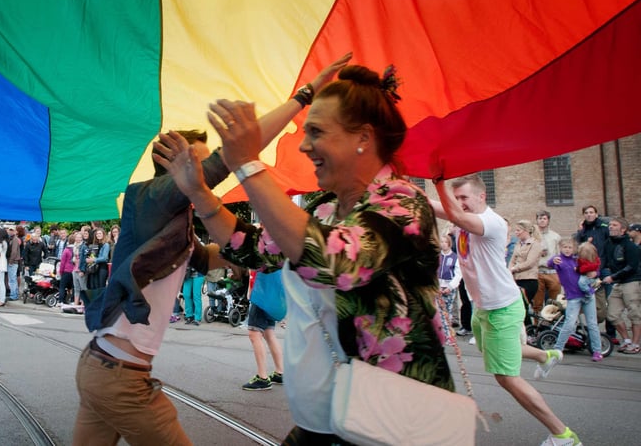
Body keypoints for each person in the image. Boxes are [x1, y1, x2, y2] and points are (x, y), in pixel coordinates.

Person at [159, 61, 453, 444]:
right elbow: (251, 248)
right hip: (327, 416)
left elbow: (333, 262)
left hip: (392, 421)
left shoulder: (402, 204)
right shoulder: (323, 209)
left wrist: (248, 164)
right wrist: (199, 193)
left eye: (316, 132)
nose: (303, 144)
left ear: (362, 137)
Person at [74, 54, 351, 444]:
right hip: (120, 378)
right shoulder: (147, 200)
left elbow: (211, 257)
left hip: (102, 368)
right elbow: (235, 154)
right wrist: (304, 96)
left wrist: (277, 244)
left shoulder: (178, 224)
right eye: (199, 165)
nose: (208, 178)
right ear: (170, 164)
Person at [432, 174, 581, 446]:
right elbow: (439, 207)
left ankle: (563, 435)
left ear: (481, 196)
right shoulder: (464, 217)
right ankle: (545, 355)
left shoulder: (492, 222)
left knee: (506, 378)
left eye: (464, 197)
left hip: (501, 308)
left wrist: (439, 182)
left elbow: (457, 216)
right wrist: (400, 190)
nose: (460, 203)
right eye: (458, 199)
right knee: (491, 350)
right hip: (484, 307)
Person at [549, 241, 603, 361]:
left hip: (588, 295)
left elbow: (593, 267)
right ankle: (558, 349)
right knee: (569, 323)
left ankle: (597, 351)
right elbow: (550, 263)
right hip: (573, 297)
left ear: (575, 249)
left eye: (570, 247)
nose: (567, 250)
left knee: (592, 324)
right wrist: (553, 259)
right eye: (565, 247)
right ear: (560, 248)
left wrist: (595, 273)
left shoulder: (577, 259)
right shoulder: (560, 260)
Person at [600, 217, 641, 354]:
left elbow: (632, 266)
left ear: (623, 229)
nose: (610, 227)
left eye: (614, 225)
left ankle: (635, 344)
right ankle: (626, 340)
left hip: (631, 282)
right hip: (617, 283)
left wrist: (612, 277)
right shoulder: (608, 243)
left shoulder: (630, 246)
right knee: (612, 314)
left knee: (634, 314)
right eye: (610, 225)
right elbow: (603, 260)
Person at [510, 220, 543, 325]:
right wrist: (509, 269)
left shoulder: (535, 244)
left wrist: (515, 268)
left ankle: (529, 330)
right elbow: (512, 259)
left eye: (519, 230)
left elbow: (529, 262)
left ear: (526, 231)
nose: (516, 233)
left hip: (529, 280)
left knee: (522, 305)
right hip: (517, 279)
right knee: (518, 306)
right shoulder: (518, 244)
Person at [535, 211, 563, 312]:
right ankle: (538, 325)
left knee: (554, 302)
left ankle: (551, 323)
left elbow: (559, 255)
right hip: (537, 271)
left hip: (552, 272)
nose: (542, 221)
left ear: (548, 221)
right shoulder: (532, 236)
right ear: (536, 220)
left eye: (544, 219)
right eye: (540, 218)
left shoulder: (555, 236)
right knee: (537, 303)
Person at [437, 233, 462, 339]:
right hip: (439, 286)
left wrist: (450, 287)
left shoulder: (454, 257)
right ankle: (440, 333)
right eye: (441, 242)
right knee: (439, 311)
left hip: (449, 287)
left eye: (445, 242)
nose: (443, 244)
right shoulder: (438, 256)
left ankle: (448, 334)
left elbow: (458, 274)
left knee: (447, 311)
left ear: (449, 244)